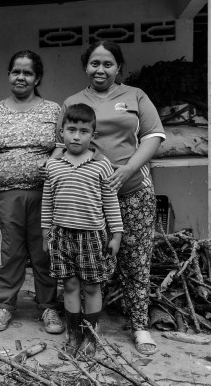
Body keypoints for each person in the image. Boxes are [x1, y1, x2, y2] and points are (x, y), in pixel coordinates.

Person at [54, 40, 165, 356]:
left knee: (136, 259)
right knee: (87, 267)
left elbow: (154, 136)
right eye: (94, 63)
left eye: (107, 64)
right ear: (85, 66)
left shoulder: (135, 96)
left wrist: (128, 169)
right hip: (88, 201)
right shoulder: (73, 101)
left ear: (119, 67)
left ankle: (140, 326)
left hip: (133, 193)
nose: (100, 69)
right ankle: (87, 329)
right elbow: (60, 146)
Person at [0, 50, 64, 334]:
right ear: (9, 75)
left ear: (37, 78)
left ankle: (48, 308)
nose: (20, 77)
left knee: (43, 251)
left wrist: (53, 159)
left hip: (44, 194)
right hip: (3, 194)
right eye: (15, 71)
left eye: (27, 72)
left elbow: (64, 144)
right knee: (8, 252)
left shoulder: (53, 110)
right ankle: (5, 306)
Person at [41, 103, 123, 358]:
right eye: (72, 129)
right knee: (70, 285)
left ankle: (91, 336)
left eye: (84, 131)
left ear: (93, 135)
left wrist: (117, 235)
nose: (77, 136)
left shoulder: (101, 166)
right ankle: (73, 335)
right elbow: (47, 202)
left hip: (92, 237)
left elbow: (110, 202)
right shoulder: (53, 166)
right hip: (62, 235)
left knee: (91, 287)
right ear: (62, 133)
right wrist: (46, 234)